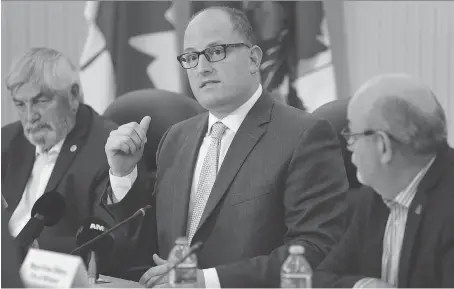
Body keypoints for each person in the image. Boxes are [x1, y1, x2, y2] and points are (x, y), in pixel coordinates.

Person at [105, 7, 348, 287]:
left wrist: (206, 281)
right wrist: (123, 176)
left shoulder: (303, 136)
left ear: (254, 59)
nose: (202, 67)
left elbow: (312, 250)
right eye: (192, 57)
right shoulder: (175, 137)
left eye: (216, 51)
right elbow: (144, 246)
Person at [1, 47, 142, 272]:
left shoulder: (107, 147)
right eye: (20, 104)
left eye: (40, 102)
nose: (29, 116)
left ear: (73, 95)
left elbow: (113, 239)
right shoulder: (8, 140)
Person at [313, 73, 454, 288]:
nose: (348, 146)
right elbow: (318, 275)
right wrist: (363, 286)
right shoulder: (375, 195)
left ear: (383, 146)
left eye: (352, 135)